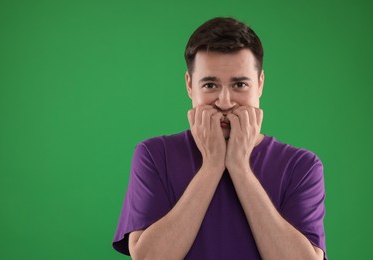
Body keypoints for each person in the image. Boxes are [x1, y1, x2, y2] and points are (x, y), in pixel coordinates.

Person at [112, 17, 327, 259]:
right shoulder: (154, 155)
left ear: (260, 85)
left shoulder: (302, 166)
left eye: (240, 84)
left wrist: (240, 168)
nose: (224, 102)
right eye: (210, 85)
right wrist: (212, 165)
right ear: (190, 86)